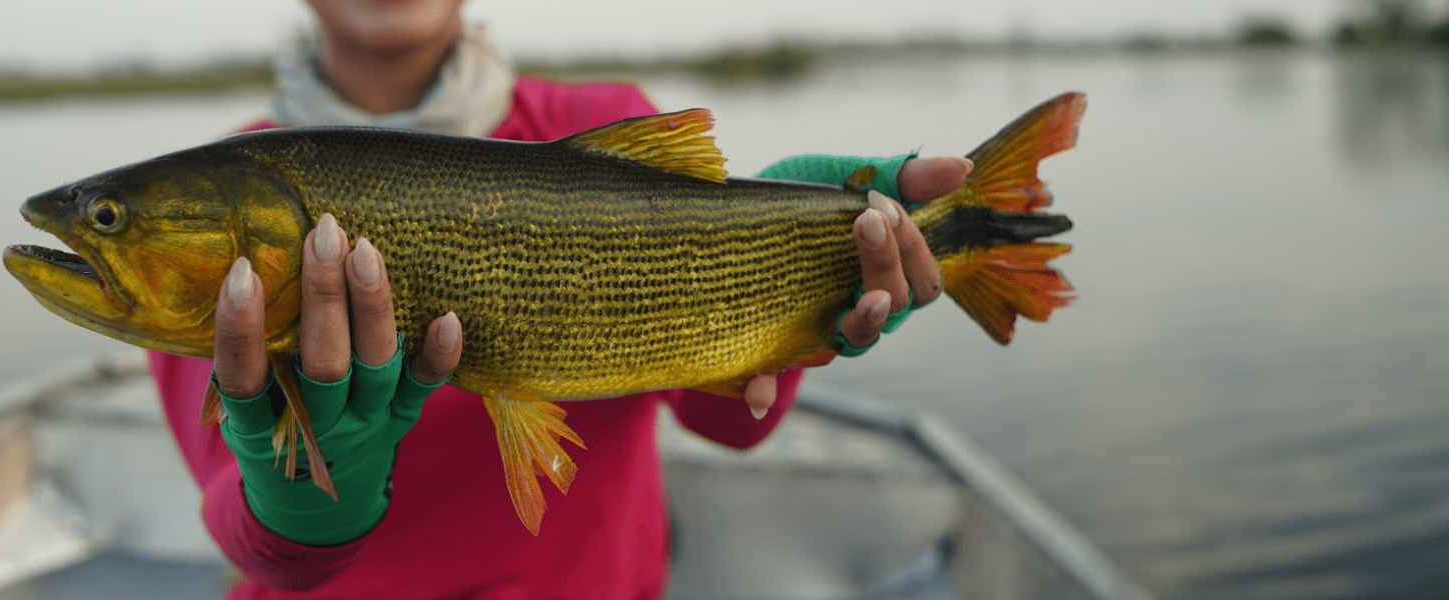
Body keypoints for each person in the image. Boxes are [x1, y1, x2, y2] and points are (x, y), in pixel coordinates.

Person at [150, 1, 968, 597]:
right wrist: (301, 510)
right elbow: (242, 523)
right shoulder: (212, 188)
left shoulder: (601, 120)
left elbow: (729, 417)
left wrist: (799, 262)